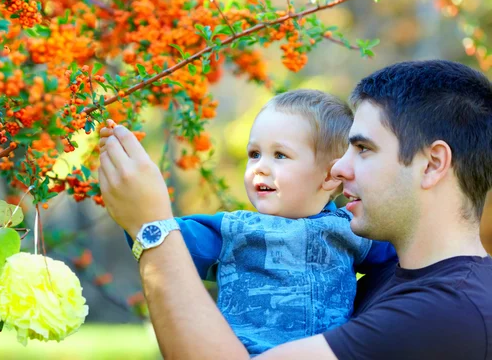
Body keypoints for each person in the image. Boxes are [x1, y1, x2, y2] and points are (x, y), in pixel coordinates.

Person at [98, 59, 492, 359]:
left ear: (433, 163)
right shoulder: (395, 277)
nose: (338, 168)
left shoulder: (446, 311)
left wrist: (152, 228)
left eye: (364, 149)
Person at [118, 89, 396, 355]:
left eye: (280, 155)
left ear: (329, 176)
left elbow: (404, 254)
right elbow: (166, 240)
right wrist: (139, 207)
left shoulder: (351, 228)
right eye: (254, 154)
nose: (260, 167)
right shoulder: (234, 230)